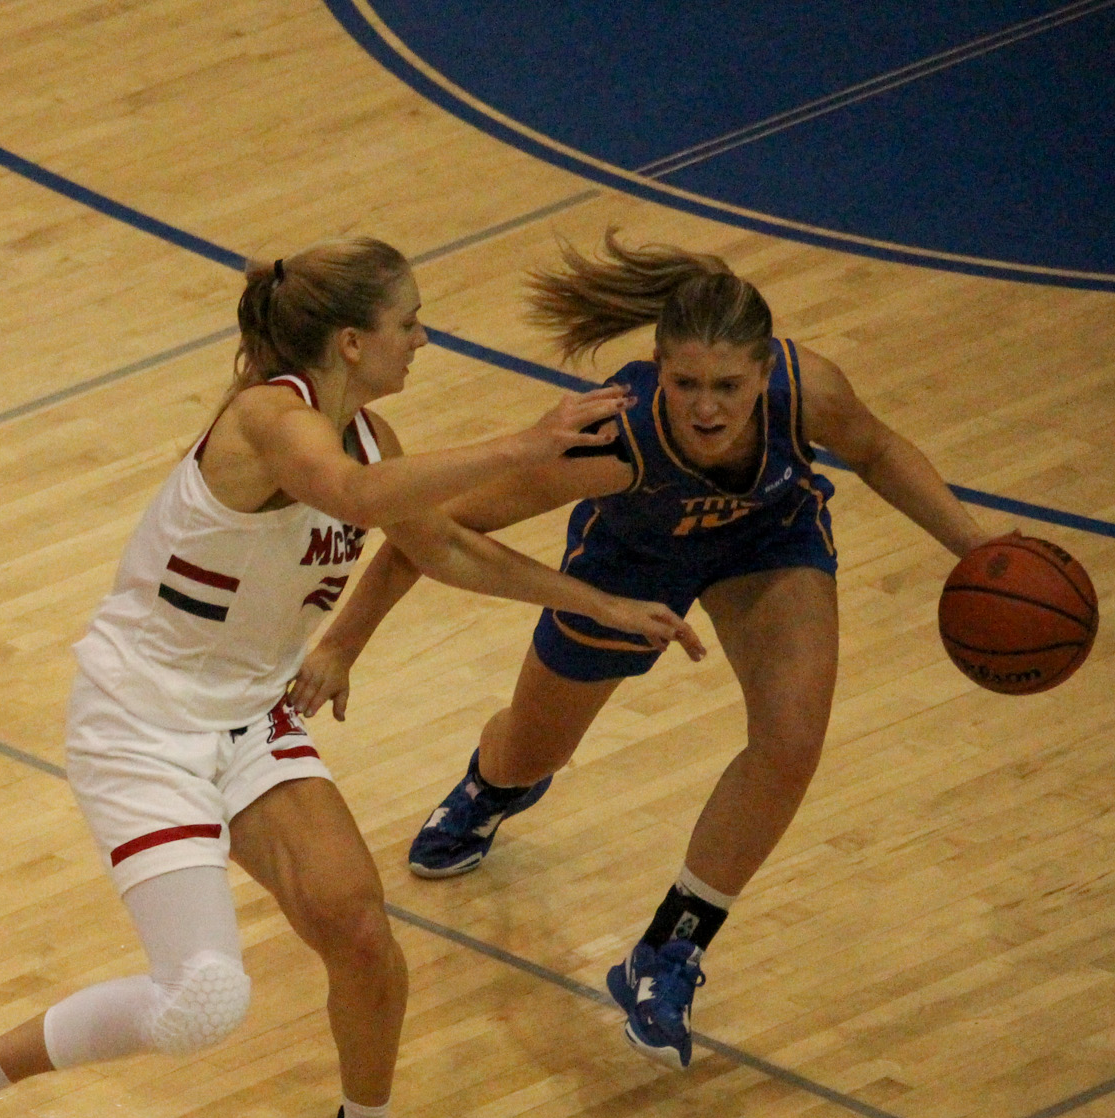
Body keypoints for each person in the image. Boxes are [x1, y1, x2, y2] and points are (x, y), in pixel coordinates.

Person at [0, 238, 703, 1118]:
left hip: (246, 716)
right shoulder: (267, 418)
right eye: (407, 322)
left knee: (359, 932)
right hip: (140, 722)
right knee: (202, 1001)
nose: (422, 336)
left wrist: (601, 604)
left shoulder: (366, 432)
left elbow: (434, 543)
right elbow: (358, 505)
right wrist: (522, 446)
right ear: (352, 341)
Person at [297, 231, 991, 1071]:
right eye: (687, 383)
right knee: (533, 749)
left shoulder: (807, 392)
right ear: (658, 372)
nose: (706, 407)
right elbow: (433, 533)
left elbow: (877, 451)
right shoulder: (609, 440)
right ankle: (491, 786)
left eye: (728, 386)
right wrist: (342, 644)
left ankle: (670, 950)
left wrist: (978, 550)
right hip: (631, 564)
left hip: (766, 540)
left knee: (792, 740)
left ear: (766, 373)